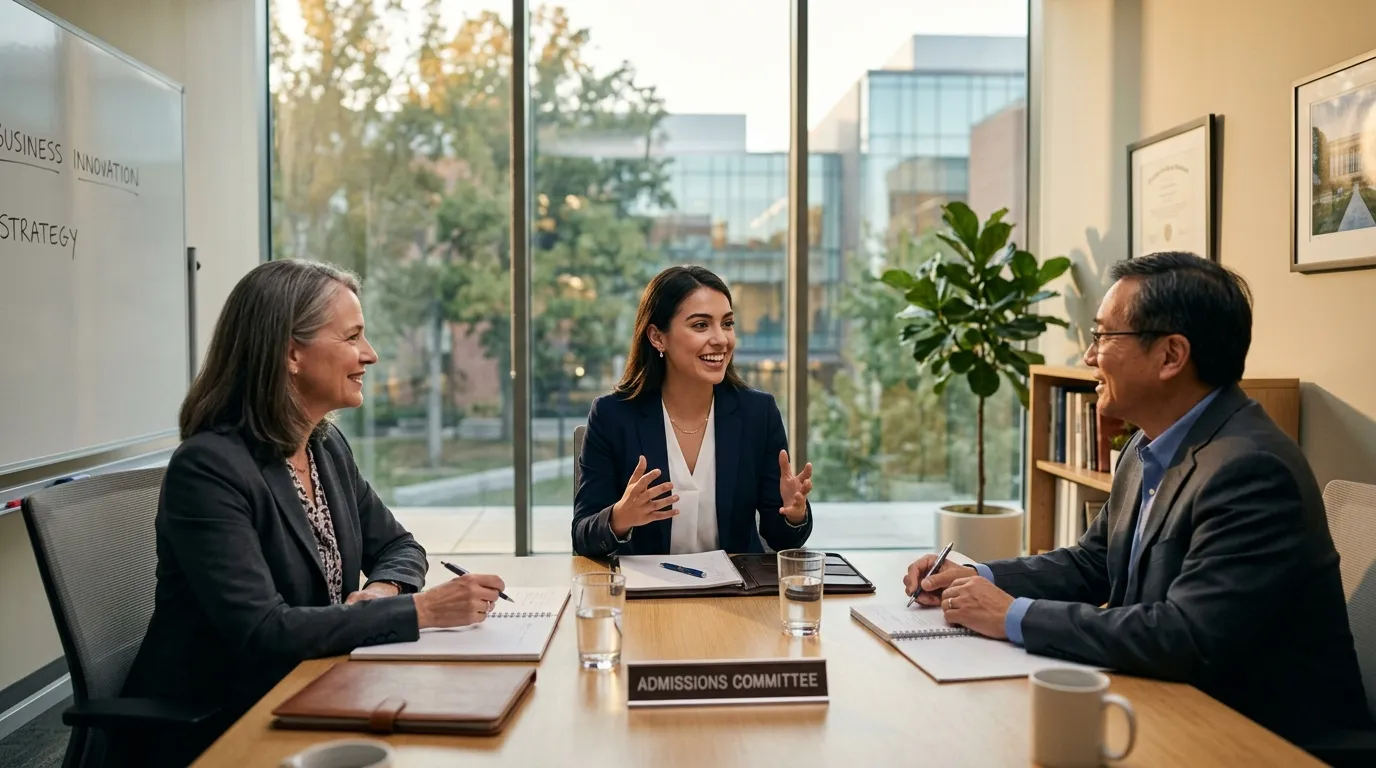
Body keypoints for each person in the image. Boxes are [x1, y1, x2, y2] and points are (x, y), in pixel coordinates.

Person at [904, 251, 1369, 745]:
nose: (1088, 356)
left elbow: (1185, 635)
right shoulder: (1147, 444)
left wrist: (1010, 614)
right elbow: (1094, 562)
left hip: (1264, 741)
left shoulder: (1251, 470)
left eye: (1103, 336)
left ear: (1171, 355)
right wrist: (978, 577)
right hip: (1167, 708)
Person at [120, 260, 506, 766]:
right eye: (352, 338)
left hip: (318, 682)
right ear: (291, 353)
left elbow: (399, 547)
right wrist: (422, 611)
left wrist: (380, 592)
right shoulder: (209, 469)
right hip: (227, 721)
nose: (370, 354)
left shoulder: (323, 446)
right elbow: (263, 632)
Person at [572, 265, 813, 556]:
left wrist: (793, 514)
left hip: (735, 594)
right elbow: (582, 535)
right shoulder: (612, 416)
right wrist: (619, 518)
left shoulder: (758, 414)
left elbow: (781, 539)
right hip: (648, 595)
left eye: (727, 323)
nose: (721, 339)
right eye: (701, 325)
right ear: (658, 337)